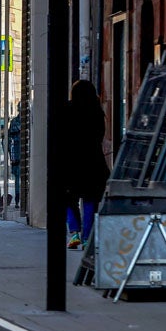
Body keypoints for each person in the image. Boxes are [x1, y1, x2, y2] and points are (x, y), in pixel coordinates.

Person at [65, 79, 110, 249]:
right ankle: (86, 238)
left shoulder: (67, 109)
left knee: (68, 199)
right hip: (93, 162)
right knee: (90, 201)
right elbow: (99, 136)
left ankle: (74, 232)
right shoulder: (97, 112)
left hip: (71, 163)